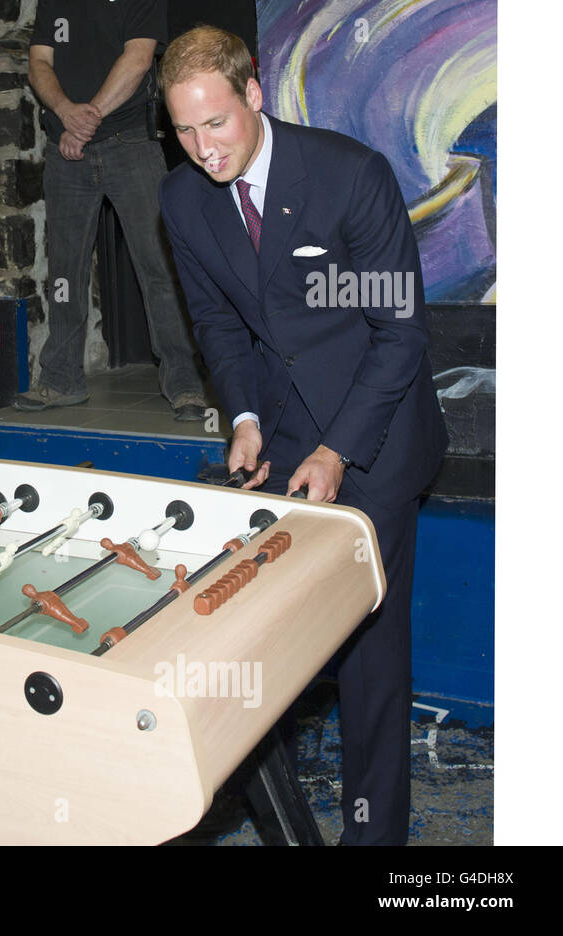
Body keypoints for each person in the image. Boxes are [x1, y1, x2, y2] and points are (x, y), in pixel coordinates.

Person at [156, 25, 447, 845]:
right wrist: (244, 418)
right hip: (281, 427)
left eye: (215, 123)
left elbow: (400, 333)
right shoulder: (181, 198)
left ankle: (374, 836)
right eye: (183, 129)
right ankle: (264, 804)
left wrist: (336, 451)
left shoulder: (350, 175)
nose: (202, 148)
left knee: (368, 650)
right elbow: (216, 323)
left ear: (253, 94)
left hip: (376, 432)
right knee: (267, 632)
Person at [22, 0, 208, 420]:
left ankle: (184, 385)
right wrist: (66, 113)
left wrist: (86, 121)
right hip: (65, 150)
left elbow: (139, 58)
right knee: (65, 273)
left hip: (131, 146)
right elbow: (38, 62)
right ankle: (62, 378)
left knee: (159, 268)